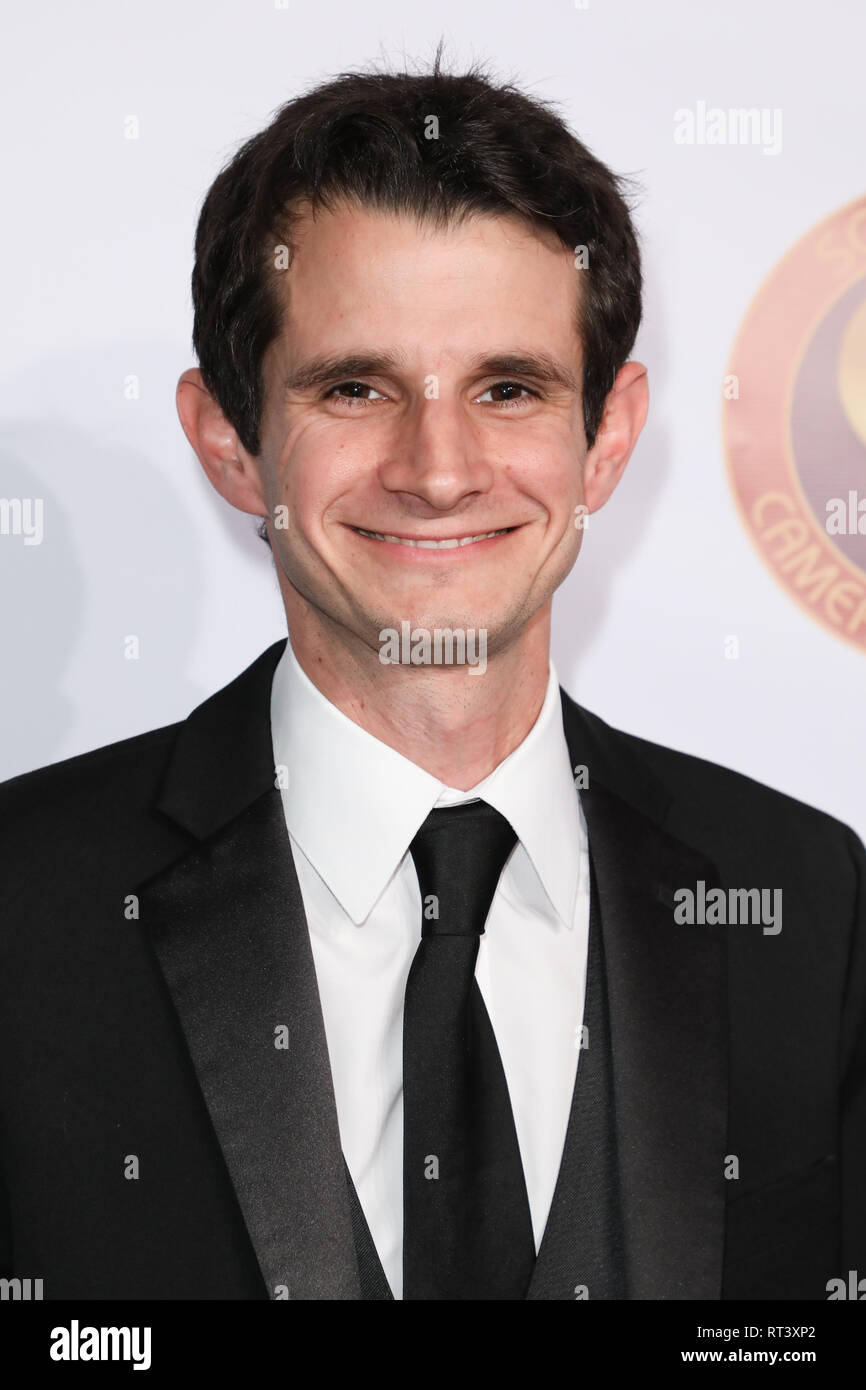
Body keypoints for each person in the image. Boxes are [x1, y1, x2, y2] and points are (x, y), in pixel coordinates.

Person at [1, 49, 864, 1302]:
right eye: (355, 388)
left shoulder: (800, 899)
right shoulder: (24, 909)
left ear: (606, 437)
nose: (440, 468)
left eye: (508, 388)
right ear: (231, 444)